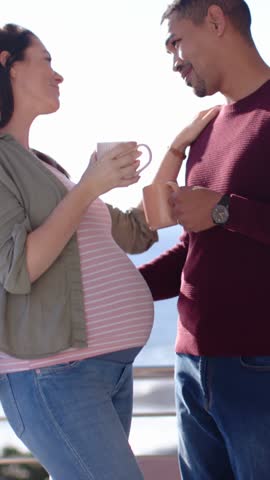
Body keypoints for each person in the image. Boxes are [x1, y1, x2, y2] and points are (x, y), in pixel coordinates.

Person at [0, 22, 218, 480]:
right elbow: (20, 267)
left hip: (103, 373)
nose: (58, 76)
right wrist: (88, 188)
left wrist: (176, 151)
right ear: (9, 66)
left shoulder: (44, 166)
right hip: (54, 375)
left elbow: (137, 232)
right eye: (47, 61)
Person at [139, 1, 270, 479]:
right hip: (192, 366)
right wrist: (116, 286)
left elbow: (221, 217)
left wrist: (224, 208)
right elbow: (198, 250)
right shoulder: (207, 131)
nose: (173, 60)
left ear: (216, 21)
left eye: (176, 42)